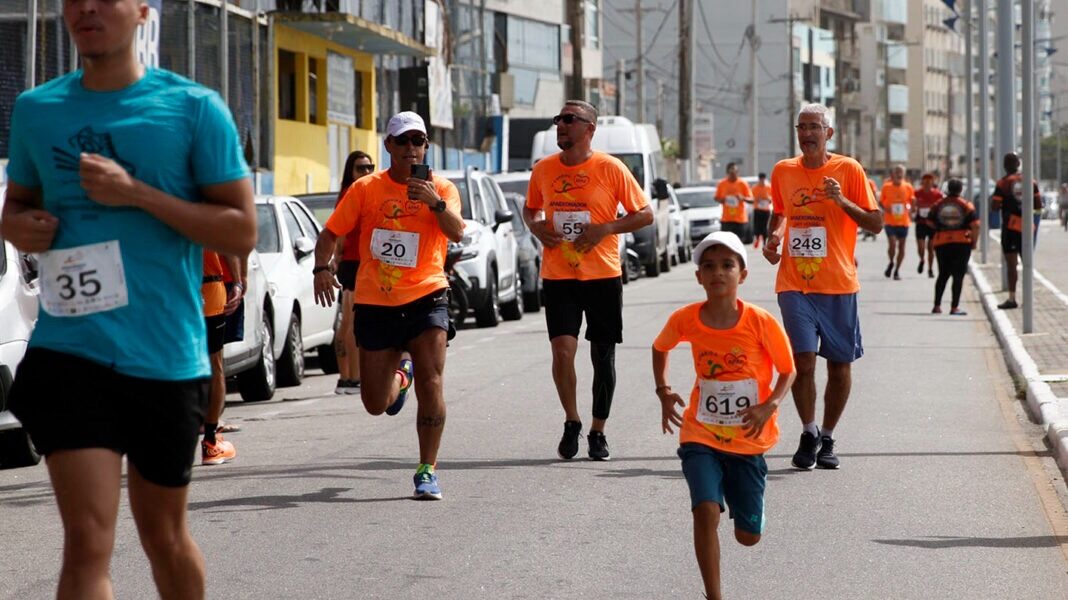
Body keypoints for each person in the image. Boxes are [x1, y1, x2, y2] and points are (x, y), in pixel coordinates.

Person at [0, 0, 255, 596]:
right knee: (86, 541)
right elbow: (16, 207)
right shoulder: (38, 110)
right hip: (72, 350)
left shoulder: (193, 109)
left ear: (142, 10)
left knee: (163, 537)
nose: (86, 8)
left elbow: (241, 229)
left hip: (164, 355)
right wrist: (19, 226)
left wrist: (137, 194)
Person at [313, 111, 464, 500]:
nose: (411, 149)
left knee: (434, 383)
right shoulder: (365, 189)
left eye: (419, 142)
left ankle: (427, 470)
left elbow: (458, 232)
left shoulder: (443, 188)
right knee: (374, 404)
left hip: (427, 296)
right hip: (376, 302)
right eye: (403, 142)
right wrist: (321, 269)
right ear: (389, 146)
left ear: (426, 147)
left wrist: (435, 204)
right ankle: (402, 377)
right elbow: (331, 232)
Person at [653, 232, 796, 600]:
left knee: (747, 538)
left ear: (742, 275)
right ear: (699, 276)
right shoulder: (686, 318)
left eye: (727, 265)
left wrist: (771, 404)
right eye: (709, 266)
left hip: (748, 439)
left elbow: (788, 369)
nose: (718, 273)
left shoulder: (760, 321)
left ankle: (751, 512)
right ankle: (714, 596)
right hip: (700, 432)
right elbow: (660, 347)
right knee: (705, 510)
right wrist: (664, 391)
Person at [525, 100, 653, 461]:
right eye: (558, 119)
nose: (561, 125)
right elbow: (530, 208)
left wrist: (607, 228)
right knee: (562, 351)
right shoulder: (544, 169)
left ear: (589, 128)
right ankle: (572, 420)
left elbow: (645, 214)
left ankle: (598, 429)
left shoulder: (611, 168)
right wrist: (536, 228)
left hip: (602, 275)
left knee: (602, 356)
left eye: (569, 119)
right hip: (559, 275)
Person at [763, 103, 882, 470]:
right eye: (802, 127)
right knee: (802, 361)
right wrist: (773, 238)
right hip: (794, 282)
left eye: (815, 127)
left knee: (840, 366)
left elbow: (876, 222)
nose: (808, 133)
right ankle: (808, 430)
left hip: (838, 283)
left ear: (828, 133)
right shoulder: (783, 171)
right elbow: (779, 211)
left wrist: (840, 200)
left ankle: (828, 436)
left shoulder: (848, 170)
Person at [332, 150, 375, 394]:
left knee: (346, 320)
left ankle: (345, 377)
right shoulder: (353, 193)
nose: (366, 172)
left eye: (370, 167)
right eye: (361, 168)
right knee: (352, 322)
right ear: (350, 171)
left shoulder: (354, 192)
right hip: (355, 262)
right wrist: (337, 257)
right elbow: (339, 232)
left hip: (352, 262)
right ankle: (353, 378)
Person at [200, 251, 245, 465]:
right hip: (208, 291)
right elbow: (228, 244)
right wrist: (237, 282)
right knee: (215, 365)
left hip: (171, 292)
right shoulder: (211, 214)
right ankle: (210, 442)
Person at [990, 152, 1041, 309]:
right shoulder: (1030, 182)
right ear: (1018, 164)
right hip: (1026, 227)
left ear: (1005, 165)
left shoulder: (1003, 183)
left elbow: (994, 207)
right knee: (1027, 263)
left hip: (1010, 228)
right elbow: (1038, 205)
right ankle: (1029, 298)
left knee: (1012, 265)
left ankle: (1012, 298)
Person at [927, 179, 979, 315]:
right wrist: (974, 241)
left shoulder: (938, 204)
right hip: (962, 243)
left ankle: (937, 305)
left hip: (942, 243)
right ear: (961, 190)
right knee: (958, 276)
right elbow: (976, 225)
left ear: (948, 189)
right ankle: (954, 307)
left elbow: (929, 221)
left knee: (943, 274)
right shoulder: (966, 206)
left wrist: (940, 229)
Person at [880, 165, 914, 280]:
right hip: (890, 221)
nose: (899, 174)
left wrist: (911, 210)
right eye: (897, 172)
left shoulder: (908, 187)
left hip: (903, 222)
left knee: (902, 247)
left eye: (901, 172)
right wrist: (886, 208)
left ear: (904, 174)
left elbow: (912, 201)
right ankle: (891, 261)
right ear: (892, 174)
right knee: (892, 244)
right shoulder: (886, 187)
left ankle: (897, 270)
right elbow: (881, 202)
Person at [912, 173, 942, 278]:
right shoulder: (916, 193)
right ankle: (922, 259)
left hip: (932, 225)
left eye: (929, 182)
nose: (927, 184)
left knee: (931, 248)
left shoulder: (937, 194)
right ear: (922, 183)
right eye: (925, 182)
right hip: (920, 223)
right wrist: (914, 208)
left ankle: (930, 269)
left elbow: (940, 208)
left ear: (932, 183)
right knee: (921, 247)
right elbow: (912, 206)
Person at [714, 162, 753, 239]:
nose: (734, 174)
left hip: (740, 220)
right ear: (727, 173)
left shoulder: (743, 183)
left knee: (738, 244)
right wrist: (722, 200)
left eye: (735, 172)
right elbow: (716, 198)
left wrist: (743, 198)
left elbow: (752, 200)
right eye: (731, 172)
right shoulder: (722, 184)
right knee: (726, 245)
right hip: (726, 220)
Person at [751, 172, 772, 249]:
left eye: (763, 179)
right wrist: (756, 199)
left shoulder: (768, 187)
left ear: (765, 179)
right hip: (757, 209)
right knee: (757, 226)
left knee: (765, 227)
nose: (762, 181)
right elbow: (751, 198)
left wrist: (768, 199)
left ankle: (764, 243)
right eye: (761, 179)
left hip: (766, 210)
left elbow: (772, 199)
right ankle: (756, 239)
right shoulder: (755, 188)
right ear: (759, 179)